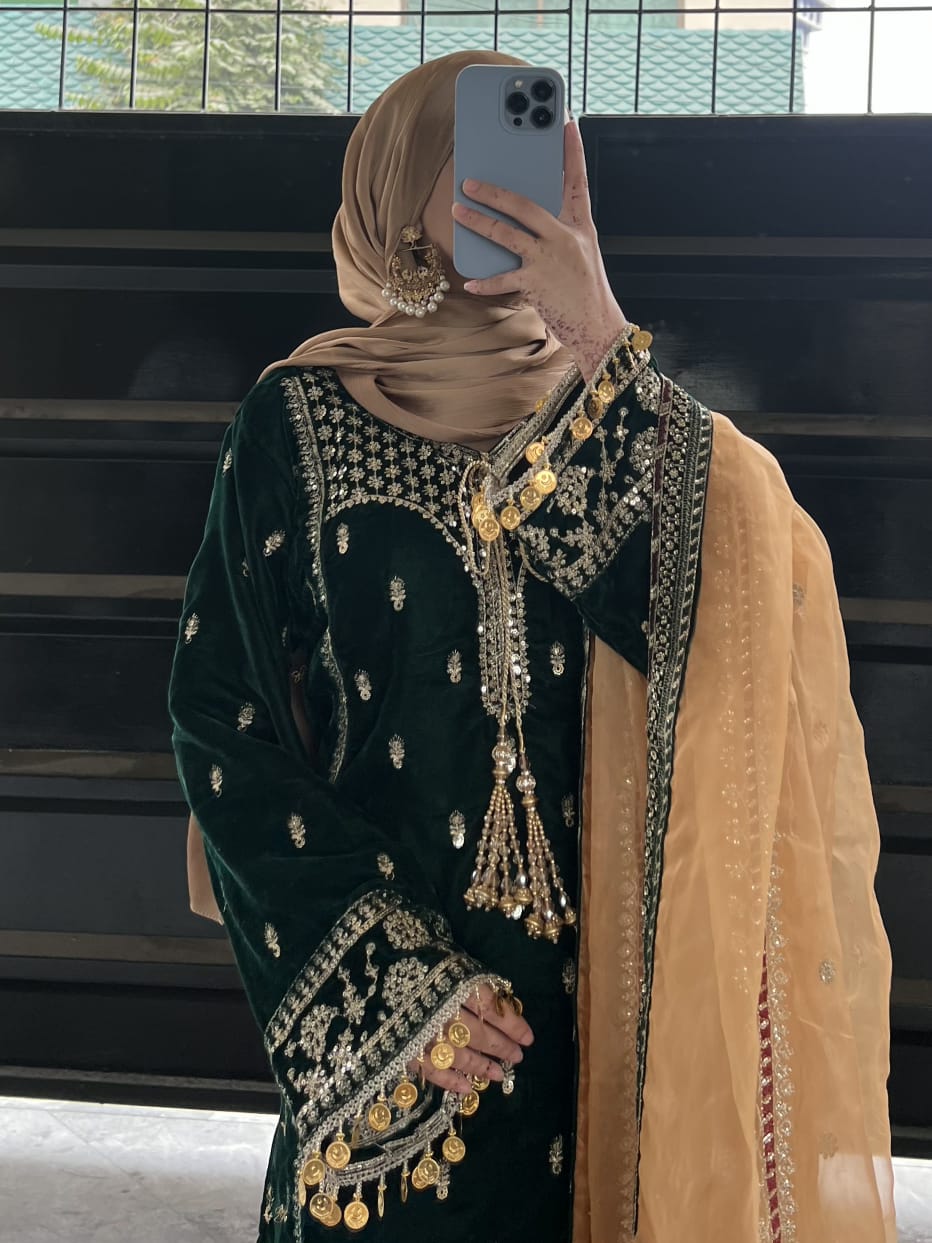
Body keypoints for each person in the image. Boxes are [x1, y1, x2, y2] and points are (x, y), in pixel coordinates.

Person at [169, 49, 897, 1243]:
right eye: (474, 153)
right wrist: (391, 987)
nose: (517, 182)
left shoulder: (606, 415)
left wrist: (596, 329)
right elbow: (221, 717)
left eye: (542, 156)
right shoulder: (293, 420)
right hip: (403, 1036)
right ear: (397, 186)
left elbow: (724, 621)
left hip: (597, 1027)